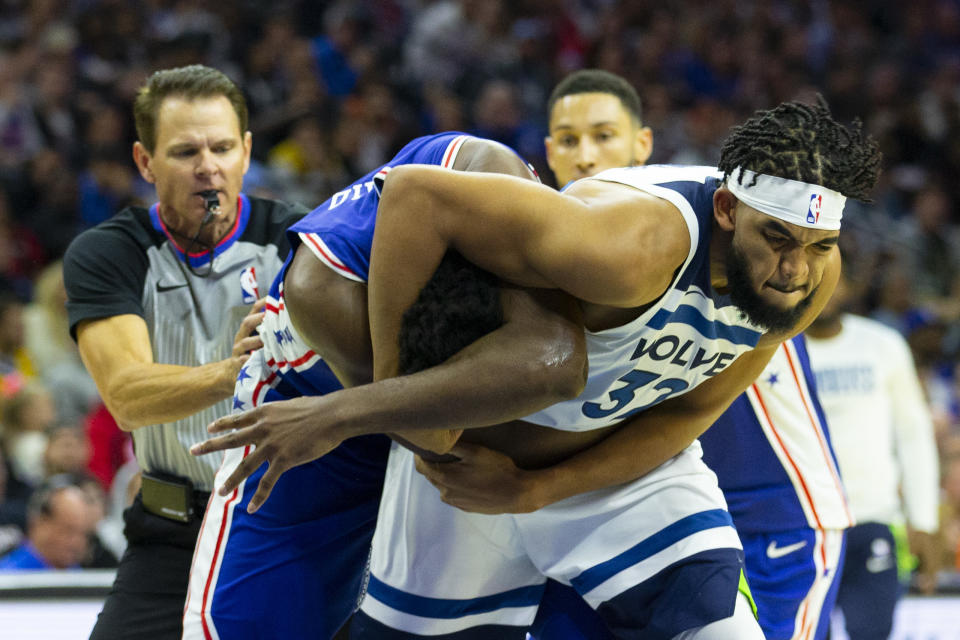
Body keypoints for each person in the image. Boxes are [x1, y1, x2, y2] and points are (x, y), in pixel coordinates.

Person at [198, 98, 879, 637]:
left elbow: (689, 412)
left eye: (820, 246)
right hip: (472, 472)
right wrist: (388, 397)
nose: (795, 269)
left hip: (616, 473)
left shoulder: (807, 279)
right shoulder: (630, 247)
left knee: (716, 630)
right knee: (551, 362)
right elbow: (415, 196)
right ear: (728, 211)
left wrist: (538, 488)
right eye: (779, 239)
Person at [183, 132, 588, 639]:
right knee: (250, 623)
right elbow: (432, 437)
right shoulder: (324, 294)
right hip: (307, 401)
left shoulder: (498, 184)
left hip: (367, 403)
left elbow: (560, 359)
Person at [515, 71, 851, 640]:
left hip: (771, 515)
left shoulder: (724, 244)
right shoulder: (582, 256)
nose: (587, 156)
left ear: (643, 149)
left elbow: (689, 414)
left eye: (604, 136)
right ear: (547, 154)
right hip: (635, 506)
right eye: (568, 142)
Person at [62, 65, 305, 640]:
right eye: (185, 151)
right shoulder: (108, 254)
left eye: (222, 147)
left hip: (284, 523)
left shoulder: (298, 240)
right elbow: (128, 397)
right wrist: (238, 369)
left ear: (246, 151)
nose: (208, 166)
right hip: (170, 534)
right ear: (145, 162)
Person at [805, 273, 941, 640]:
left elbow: (914, 437)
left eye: (832, 278)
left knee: (874, 632)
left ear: (848, 285)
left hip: (873, 518)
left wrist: (923, 519)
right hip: (803, 525)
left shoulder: (882, 345)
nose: (824, 289)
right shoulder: (775, 349)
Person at [0, 476, 98, 571]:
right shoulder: (8, 577)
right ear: (40, 522)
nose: (76, 543)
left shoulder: (81, 577)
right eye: (68, 530)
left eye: (84, 535)